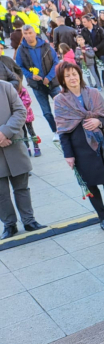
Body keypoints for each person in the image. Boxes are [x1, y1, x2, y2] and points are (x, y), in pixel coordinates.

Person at [54, 62, 104, 231]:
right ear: (62, 80)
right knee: (91, 186)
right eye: (67, 76)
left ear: (80, 74)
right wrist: (68, 155)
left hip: (101, 145)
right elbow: (63, 131)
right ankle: (103, 217)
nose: (72, 78)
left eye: (74, 73)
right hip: (80, 149)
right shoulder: (60, 100)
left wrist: (98, 121)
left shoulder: (93, 93)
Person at [0, 79, 45, 240]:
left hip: (13, 144)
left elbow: (20, 111)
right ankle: (9, 224)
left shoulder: (5, 87)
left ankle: (29, 221)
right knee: (1, 192)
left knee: (22, 186)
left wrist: (5, 132)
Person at [15, 25, 60, 138]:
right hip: (37, 86)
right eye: (25, 34)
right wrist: (30, 76)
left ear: (35, 33)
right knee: (46, 112)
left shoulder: (46, 46)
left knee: (62, 107)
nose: (28, 36)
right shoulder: (21, 49)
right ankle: (55, 132)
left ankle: (65, 129)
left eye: (30, 33)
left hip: (52, 83)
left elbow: (56, 62)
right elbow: (20, 66)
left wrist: (48, 77)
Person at [80, 14, 104, 89]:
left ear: (90, 21)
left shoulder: (98, 29)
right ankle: (98, 82)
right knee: (94, 68)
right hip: (90, 52)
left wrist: (97, 47)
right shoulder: (83, 31)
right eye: (82, 22)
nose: (83, 24)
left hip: (101, 51)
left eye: (84, 22)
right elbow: (84, 41)